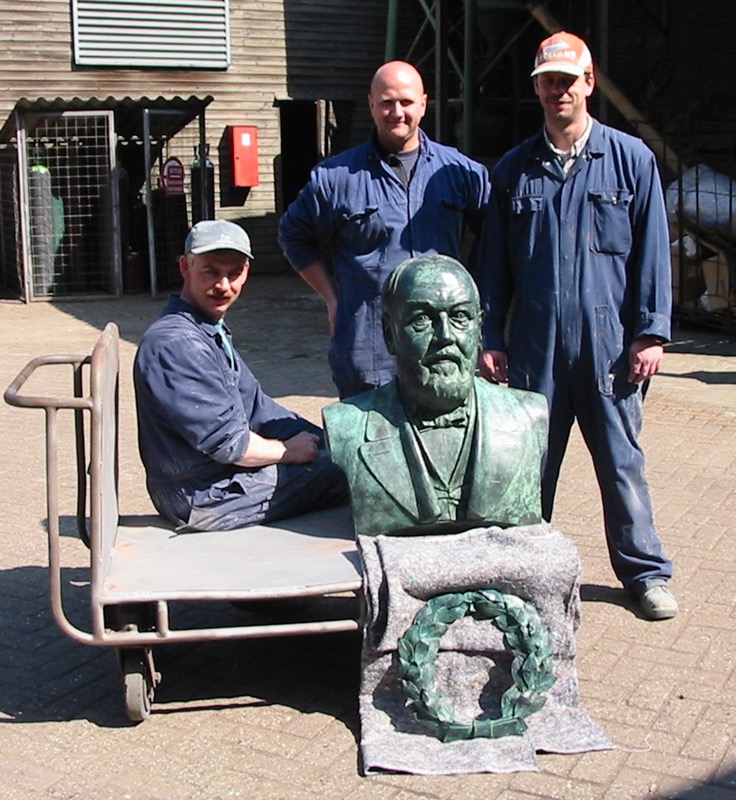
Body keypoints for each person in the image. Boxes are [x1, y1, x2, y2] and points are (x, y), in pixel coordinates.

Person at [477, 31, 677, 620]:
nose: (557, 89)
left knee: (621, 464)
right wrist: (491, 337)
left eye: (569, 79)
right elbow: (494, 264)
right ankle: (522, 576)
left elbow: (653, 255)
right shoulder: (514, 170)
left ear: (589, 83)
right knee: (529, 467)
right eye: (547, 80)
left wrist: (650, 332)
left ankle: (645, 574)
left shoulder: (630, 160)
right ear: (536, 86)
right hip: (535, 348)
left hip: (610, 349)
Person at [278, 60, 491, 400]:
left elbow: (493, 242)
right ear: (371, 105)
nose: (397, 112)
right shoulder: (336, 178)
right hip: (368, 349)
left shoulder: (463, 173)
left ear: (423, 103)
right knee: (367, 446)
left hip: (441, 346)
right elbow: (293, 234)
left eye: (406, 102)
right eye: (387, 102)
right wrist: (332, 298)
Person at [133, 219, 349, 532]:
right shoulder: (177, 344)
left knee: (350, 456)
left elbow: (257, 405)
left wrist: (329, 440)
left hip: (215, 480)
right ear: (185, 267)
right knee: (358, 473)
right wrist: (290, 451)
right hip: (203, 495)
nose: (223, 285)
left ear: (246, 272)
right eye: (210, 271)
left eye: (233, 273)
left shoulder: (208, 330)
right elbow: (229, 444)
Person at [322, 254, 548, 538]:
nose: (445, 336)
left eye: (459, 316)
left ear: (479, 329)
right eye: (421, 319)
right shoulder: (347, 425)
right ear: (389, 334)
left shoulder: (529, 415)